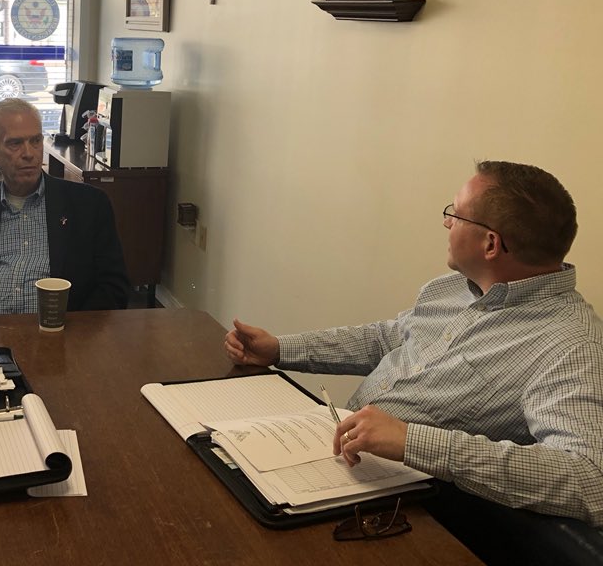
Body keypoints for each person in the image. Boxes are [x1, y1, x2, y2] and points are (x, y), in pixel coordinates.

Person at [224, 161, 603, 527]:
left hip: (402, 509)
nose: (447, 222)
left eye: (456, 214)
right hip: (332, 454)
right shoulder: (451, 288)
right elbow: (385, 339)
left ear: (490, 244)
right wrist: (280, 350)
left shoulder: (572, 345)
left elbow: (591, 481)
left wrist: (412, 442)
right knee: (213, 455)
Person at [0, 98, 130, 316]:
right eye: (15, 143)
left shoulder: (89, 205)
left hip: (62, 330)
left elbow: (113, 288)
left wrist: (76, 330)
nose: (29, 153)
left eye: (35, 141)